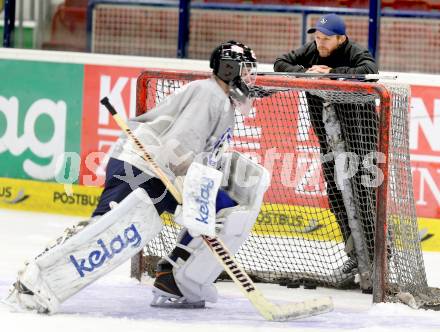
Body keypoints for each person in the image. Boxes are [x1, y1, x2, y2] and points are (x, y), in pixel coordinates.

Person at [3, 40, 269, 313]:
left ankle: (174, 279)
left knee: (220, 207)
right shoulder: (210, 95)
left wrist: (196, 195)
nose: (250, 77)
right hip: (142, 167)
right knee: (103, 231)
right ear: (229, 68)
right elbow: (177, 146)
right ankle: (37, 275)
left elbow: (190, 155)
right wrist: (189, 191)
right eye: (246, 70)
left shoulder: (220, 99)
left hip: (158, 172)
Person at [274, 14, 379, 278]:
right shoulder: (313, 50)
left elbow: (369, 70)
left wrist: (332, 73)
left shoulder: (355, 51)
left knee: (365, 197)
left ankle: (377, 256)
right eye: (317, 37)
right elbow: (280, 63)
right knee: (336, 196)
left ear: (341, 38)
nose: (319, 43)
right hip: (329, 139)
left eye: (325, 39)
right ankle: (354, 256)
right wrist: (305, 72)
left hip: (361, 139)